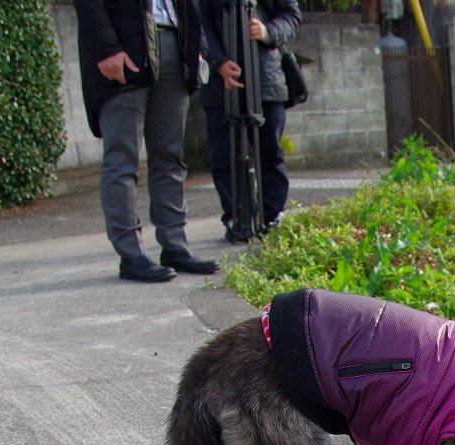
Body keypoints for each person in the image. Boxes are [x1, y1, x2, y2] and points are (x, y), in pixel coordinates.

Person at [73, 0, 221, 282]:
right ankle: (131, 254)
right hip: (126, 47)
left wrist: (198, 48)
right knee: (122, 157)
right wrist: (106, 48)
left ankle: (175, 245)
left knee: (170, 156)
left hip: (176, 47)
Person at [199, 0, 301, 244]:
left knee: (270, 152)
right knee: (225, 154)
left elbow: (291, 15)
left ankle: (272, 215)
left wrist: (268, 32)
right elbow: (200, 23)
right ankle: (237, 217)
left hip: (265, 78)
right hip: (219, 84)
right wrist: (219, 61)